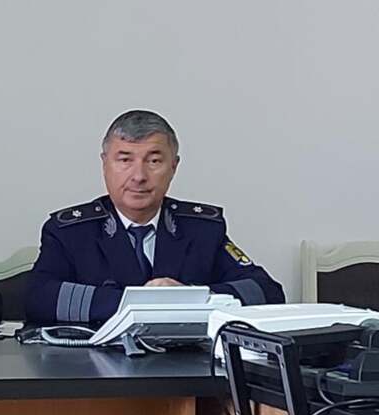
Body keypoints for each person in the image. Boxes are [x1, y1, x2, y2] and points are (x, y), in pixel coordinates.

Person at [26, 109, 284, 326]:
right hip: (97, 366)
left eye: (154, 161)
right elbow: (37, 298)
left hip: (187, 364)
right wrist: (136, 304)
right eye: (125, 160)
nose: (139, 176)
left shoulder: (202, 229)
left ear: (174, 166)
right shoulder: (70, 232)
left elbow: (266, 291)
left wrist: (190, 297)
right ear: (105, 164)